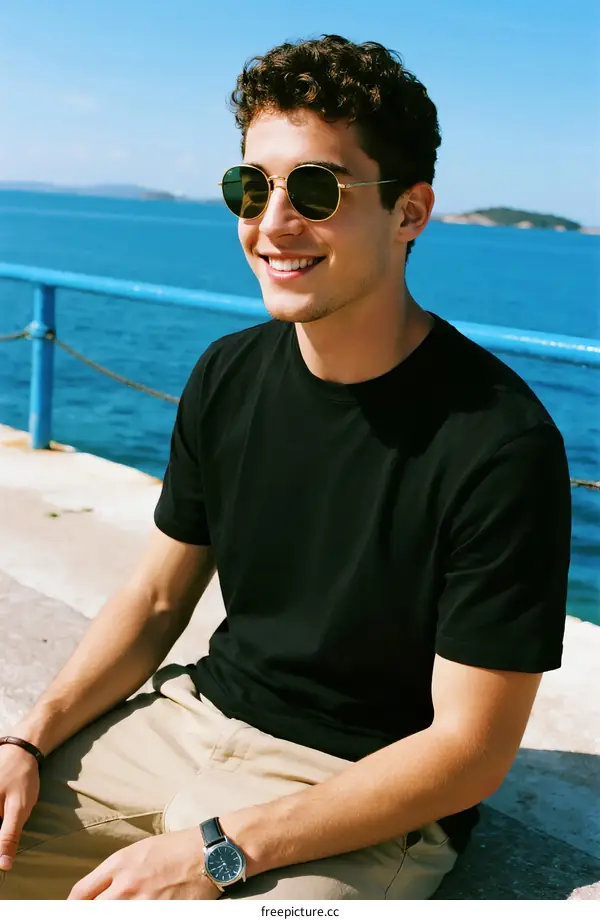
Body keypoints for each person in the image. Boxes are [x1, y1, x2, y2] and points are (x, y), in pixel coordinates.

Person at [0, 34, 571, 901]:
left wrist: (216, 851)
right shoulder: (228, 373)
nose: (273, 222)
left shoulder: (500, 444)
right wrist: (27, 743)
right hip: (189, 721)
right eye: (251, 186)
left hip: (356, 792)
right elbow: (156, 602)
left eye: (316, 188)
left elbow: (469, 750)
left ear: (410, 212)